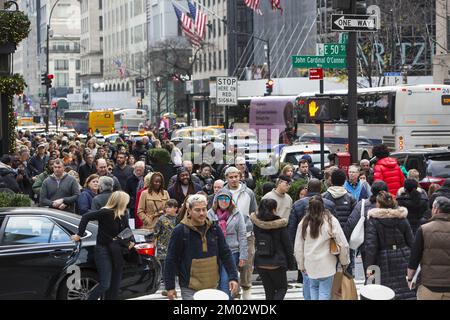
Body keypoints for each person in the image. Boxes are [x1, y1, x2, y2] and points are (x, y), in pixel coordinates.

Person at [164, 194, 239, 300]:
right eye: (197, 210)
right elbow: (171, 259)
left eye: (204, 209)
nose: (202, 213)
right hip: (190, 288)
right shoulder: (180, 230)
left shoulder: (214, 228)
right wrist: (170, 287)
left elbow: (225, 253)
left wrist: (233, 277)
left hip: (213, 287)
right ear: (189, 211)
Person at [71, 191, 134, 300]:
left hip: (117, 250)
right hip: (103, 250)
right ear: (120, 201)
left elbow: (127, 230)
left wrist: (132, 241)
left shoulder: (123, 213)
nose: (127, 203)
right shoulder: (105, 212)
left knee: (115, 285)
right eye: (126, 200)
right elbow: (85, 217)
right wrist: (79, 234)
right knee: (105, 284)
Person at [294, 196, 350, 300]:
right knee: (325, 292)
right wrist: (344, 262)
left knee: (313, 287)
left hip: (310, 264)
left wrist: (301, 265)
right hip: (327, 264)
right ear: (323, 206)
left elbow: (298, 247)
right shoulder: (331, 220)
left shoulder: (304, 222)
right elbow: (342, 244)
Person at [365, 191, 415, 300]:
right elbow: (411, 242)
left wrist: (369, 271)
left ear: (378, 203)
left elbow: (371, 248)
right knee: (405, 292)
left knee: (384, 293)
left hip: (382, 259)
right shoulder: (402, 218)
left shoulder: (373, 220)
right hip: (403, 256)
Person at [222, 166, 257, 300]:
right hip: (227, 236)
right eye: (231, 177)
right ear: (226, 178)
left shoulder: (249, 192)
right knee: (230, 267)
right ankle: (234, 295)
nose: (234, 179)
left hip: (247, 235)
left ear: (240, 177)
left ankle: (247, 295)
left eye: (236, 176)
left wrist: (251, 226)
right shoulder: (222, 193)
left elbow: (254, 212)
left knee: (246, 267)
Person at [251, 199, 295, 300]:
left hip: (261, 262)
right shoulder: (280, 225)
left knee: (269, 291)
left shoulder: (256, 224)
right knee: (282, 288)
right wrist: (290, 264)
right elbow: (287, 246)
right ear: (274, 209)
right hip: (277, 263)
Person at [407, 197, 450, 300]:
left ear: (435, 210)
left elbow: (414, 258)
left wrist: (410, 278)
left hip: (428, 285)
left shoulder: (424, 229)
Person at [208, 189, 247, 298]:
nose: (224, 201)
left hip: (231, 252)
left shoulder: (237, 214)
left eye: (226, 199)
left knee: (226, 281)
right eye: (221, 198)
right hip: (213, 253)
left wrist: (243, 256)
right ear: (216, 200)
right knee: (216, 283)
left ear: (230, 201)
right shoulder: (210, 214)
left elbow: (242, 235)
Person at [344, 181, 389, 273]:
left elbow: (351, 223)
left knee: (371, 276)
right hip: (389, 245)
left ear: (372, 191)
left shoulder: (363, 204)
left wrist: (344, 242)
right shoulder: (391, 206)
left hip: (367, 246)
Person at [322, 169, 356, 273]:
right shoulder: (350, 197)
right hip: (347, 235)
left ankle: (332, 287)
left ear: (331, 180)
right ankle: (347, 286)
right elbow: (354, 218)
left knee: (330, 264)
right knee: (347, 263)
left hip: (328, 235)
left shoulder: (324, 197)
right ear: (344, 181)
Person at [154, 199, 179, 288]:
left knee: (174, 264)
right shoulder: (161, 219)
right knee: (164, 265)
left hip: (175, 246)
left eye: (170, 207)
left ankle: (173, 279)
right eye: (166, 207)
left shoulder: (178, 219)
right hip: (162, 246)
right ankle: (166, 283)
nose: (167, 209)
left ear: (176, 208)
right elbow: (155, 232)